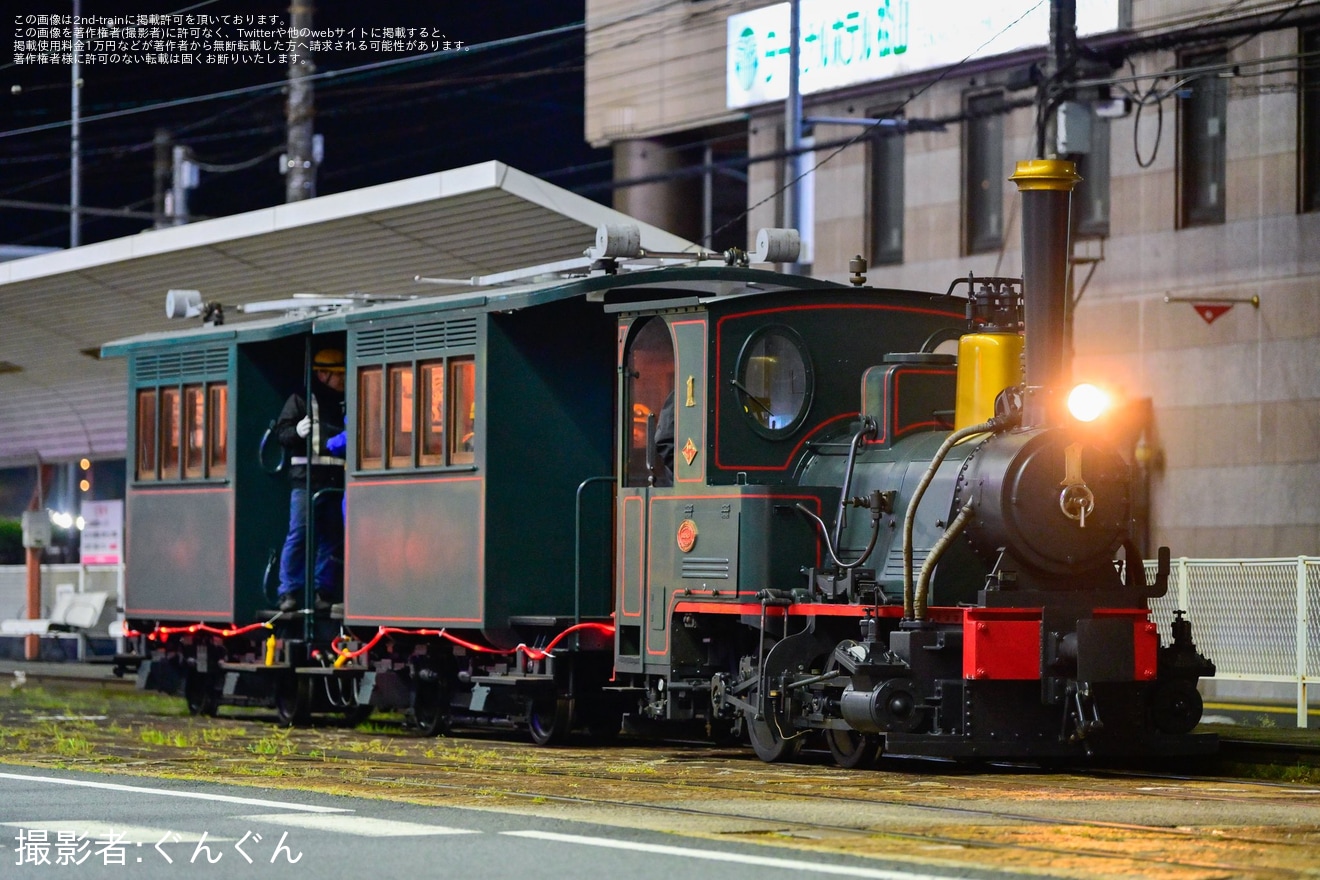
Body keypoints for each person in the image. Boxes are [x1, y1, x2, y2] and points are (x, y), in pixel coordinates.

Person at [275, 348, 347, 613]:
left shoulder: (345, 402)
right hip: (305, 480)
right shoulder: (301, 400)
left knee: (332, 539)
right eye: (337, 375)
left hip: (334, 479)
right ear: (322, 374)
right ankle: (288, 591)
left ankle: (323, 591)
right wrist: (296, 430)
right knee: (300, 534)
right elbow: (282, 434)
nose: (342, 380)